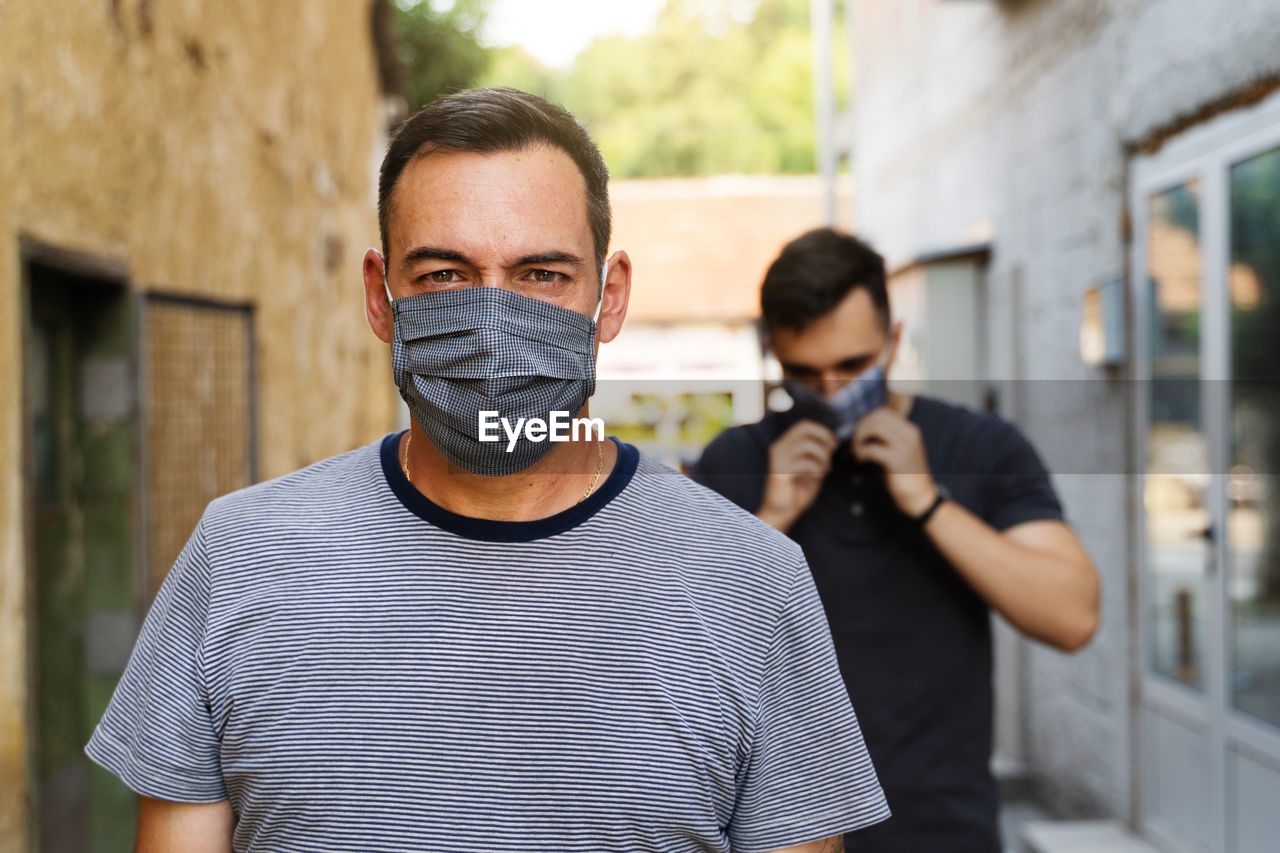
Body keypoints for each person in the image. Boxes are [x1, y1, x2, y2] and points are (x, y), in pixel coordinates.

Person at [85, 89, 889, 852]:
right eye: (444, 276)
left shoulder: (753, 580)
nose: (494, 321)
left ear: (608, 299)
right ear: (379, 294)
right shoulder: (237, 556)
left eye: (542, 274)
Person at [690, 228, 1100, 852]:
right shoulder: (737, 461)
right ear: (774, 353)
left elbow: (1071, 616)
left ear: (894, 340)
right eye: (805, 372)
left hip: (943, 828)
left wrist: (928, 501)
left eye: (853, 366)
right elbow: (672, 657)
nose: (831, 391)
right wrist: (771, 518)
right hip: (778, 835)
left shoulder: (980, 446)